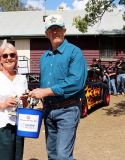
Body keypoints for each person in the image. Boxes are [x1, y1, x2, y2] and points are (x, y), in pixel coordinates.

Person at [29, 14, 87, 160]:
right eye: (52, 29)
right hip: (48, 111)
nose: (56, 32)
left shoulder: (75, 52)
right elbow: (45, 83)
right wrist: (41, 101)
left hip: (68, 110)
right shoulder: (44, 57)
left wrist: (44, 92)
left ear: (64, 30)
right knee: (52, 154)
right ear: (46, 33)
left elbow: (76, 82)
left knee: (62, 156)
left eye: (58, 29)